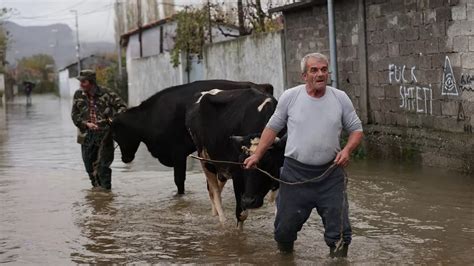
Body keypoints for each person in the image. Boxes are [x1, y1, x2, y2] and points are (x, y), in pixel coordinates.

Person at [243, 53, 363, 257]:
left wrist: (347, 150)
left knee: (341, 233)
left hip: (331, 175)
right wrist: (257, 155)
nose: (320, 74)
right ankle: (286, 258)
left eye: (324, 70)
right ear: (304, 75)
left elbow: (356, 129)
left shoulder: (340, 98)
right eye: (314, 70)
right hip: (295, 176)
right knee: (284, 231)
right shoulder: (291, 97)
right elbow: (272, 128)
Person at [71, 69, 127, 190]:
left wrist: (113, 120)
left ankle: (106, 195)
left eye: (83, 82)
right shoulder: (78, 95)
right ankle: (98, 197)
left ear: (91, 82)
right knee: (89, 168)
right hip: (86, 136)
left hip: (105, 136)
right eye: (80, 81)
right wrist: (86, 124)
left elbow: (122, 107)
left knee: (103, 167)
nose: (81, 84)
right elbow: (74, 115)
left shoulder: (106, 93)